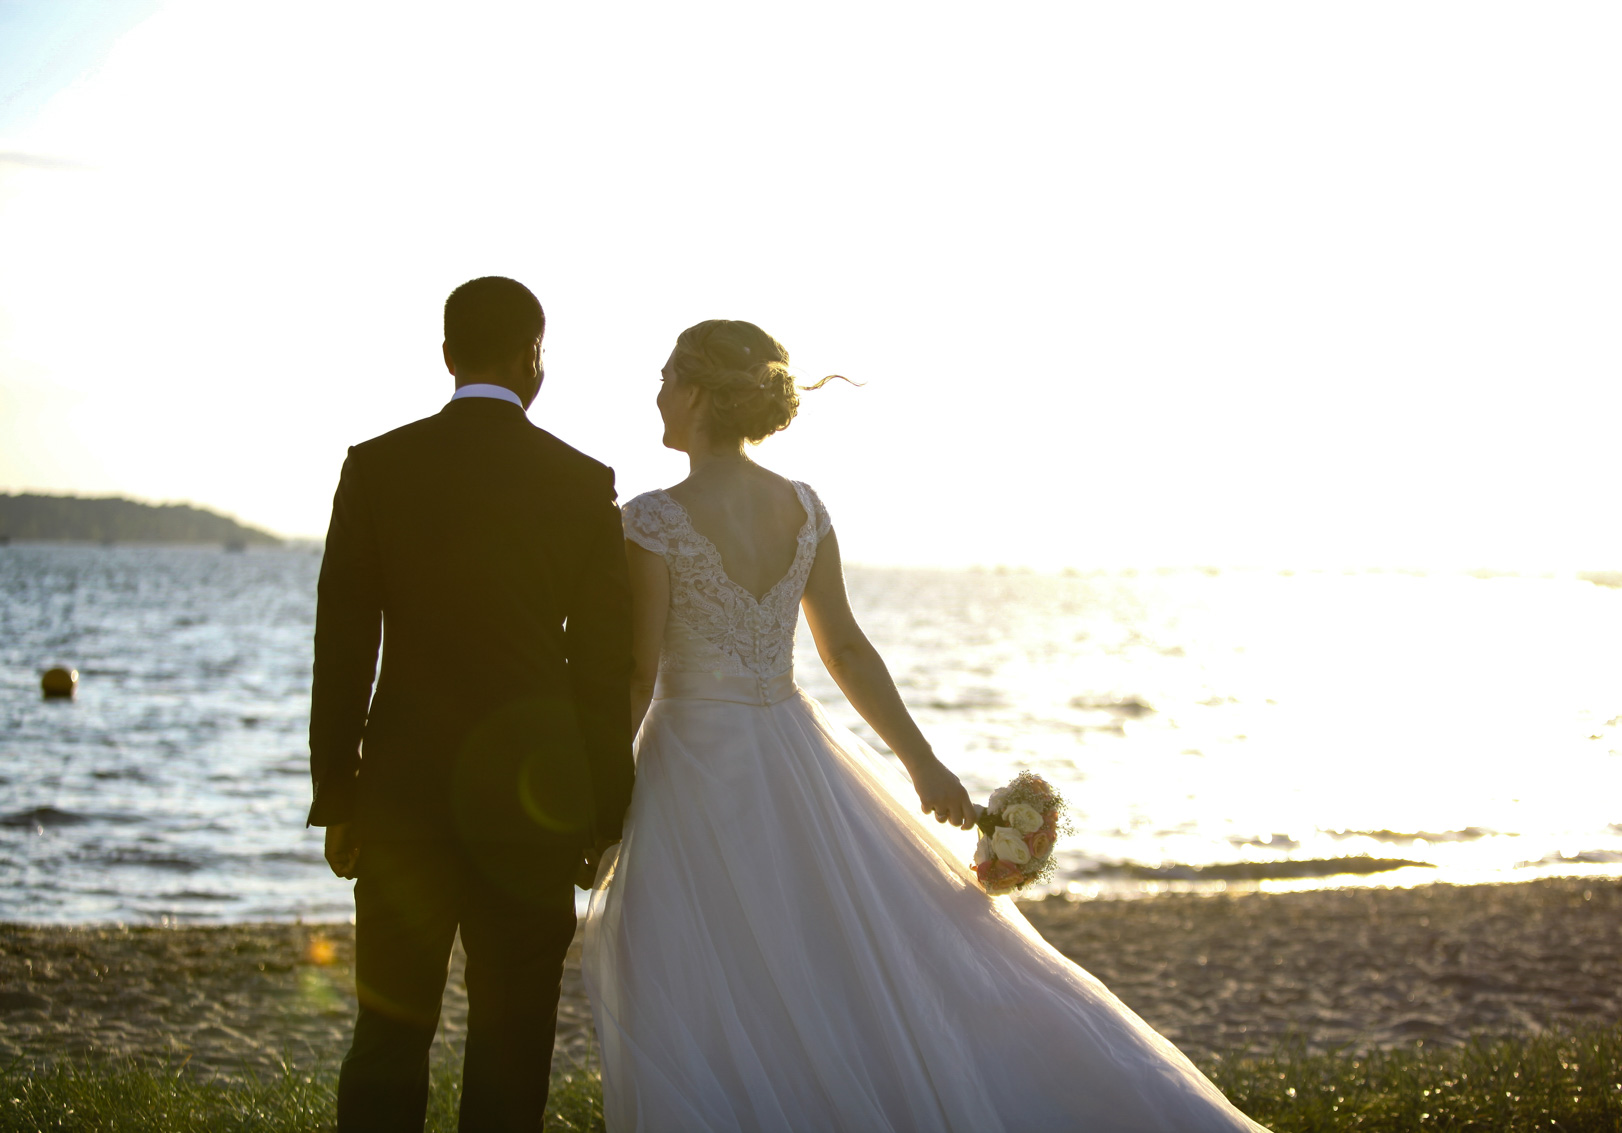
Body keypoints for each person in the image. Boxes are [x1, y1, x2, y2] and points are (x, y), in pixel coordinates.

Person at [582, 319, 1269, 1131]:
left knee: (697, 970)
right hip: (793, 755)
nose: (656, 392)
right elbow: (845, 647)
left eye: (665, 376)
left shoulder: (654, 518)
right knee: (819, 951)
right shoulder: (802, 507)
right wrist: (922, 764)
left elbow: (637, 673)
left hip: (694, 767)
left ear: (696, 391)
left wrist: (598, 803)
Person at [308, 276, 633, 1132]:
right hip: (534, 803)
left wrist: (339, 794)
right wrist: (604, 810)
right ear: (534, 357)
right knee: (514, 1033)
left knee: (389, 1027)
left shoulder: (376, 467)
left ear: (447, 356)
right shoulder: (581, 481)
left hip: (403, 796)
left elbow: (343, 646)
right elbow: (602, 665)